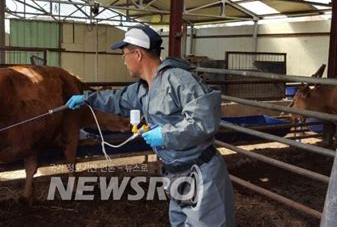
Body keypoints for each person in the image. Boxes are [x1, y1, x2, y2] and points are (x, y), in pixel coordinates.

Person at [66, 25, 235, 227]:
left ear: (137, 54)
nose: (123, 60)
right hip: (175, 171)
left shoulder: (179, 80)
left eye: (124, 54)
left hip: (200, 172)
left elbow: (204, 121)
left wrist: (165, 135)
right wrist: (87, 99)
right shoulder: (145, 87)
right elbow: (117, 99)